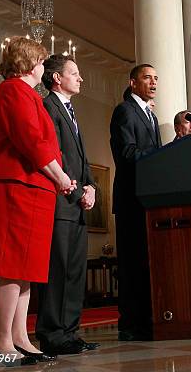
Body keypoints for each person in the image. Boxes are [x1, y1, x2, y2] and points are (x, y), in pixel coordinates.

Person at [0, 36, 76, 365]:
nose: (44, 67)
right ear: (29, 63)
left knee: (26, 269)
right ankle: (2, 341)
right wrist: (60, 176)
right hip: (17, 188)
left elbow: (40, 143)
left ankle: (20, 338)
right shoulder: (13, 90)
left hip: (32, 189)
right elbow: (31, 140)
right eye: (41, 62)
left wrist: (57, 177)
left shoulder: (27, 94)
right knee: (13, 267)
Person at [36, 55, 100, 355]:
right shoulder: (48, 107)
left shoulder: (71, 111)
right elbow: (55, 155)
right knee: (58, 271)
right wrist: (76, 192)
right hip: (60, 204)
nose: (81, 78)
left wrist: (91, 187)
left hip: (77, 205)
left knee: (75, 273)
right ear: (57, 78)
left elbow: (81, 161)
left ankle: (70, 333)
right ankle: (52, 335)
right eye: (75, 73)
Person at [110, 64, 162, 341]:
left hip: (150, 199)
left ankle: (147, 319)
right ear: (133, 82)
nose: (153, 82)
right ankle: (130, 325)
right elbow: (127, 153)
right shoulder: (125, 111)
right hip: (132, 199)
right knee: (132, 265)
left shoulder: (150, 116)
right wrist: (162, 154)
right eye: (147, 77)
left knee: (147, 263)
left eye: (156, 78)